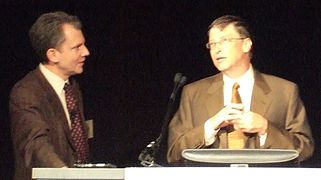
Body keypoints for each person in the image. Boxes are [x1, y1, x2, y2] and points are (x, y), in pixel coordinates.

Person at [167, 15, 314, 164]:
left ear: (246, 44)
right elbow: (174, 152)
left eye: (224, 41)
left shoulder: (284, 91)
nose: (217, 49)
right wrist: (210, 126)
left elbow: (305, 149)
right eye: (212, 44)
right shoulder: (193, 93)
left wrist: (265, 129)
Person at [9, 11, 90, 180]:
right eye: (77, 47)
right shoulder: (26, 92)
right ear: (53, 54)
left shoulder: (72, 88)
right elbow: (36, 144)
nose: (86, 52)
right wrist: (65, 175)